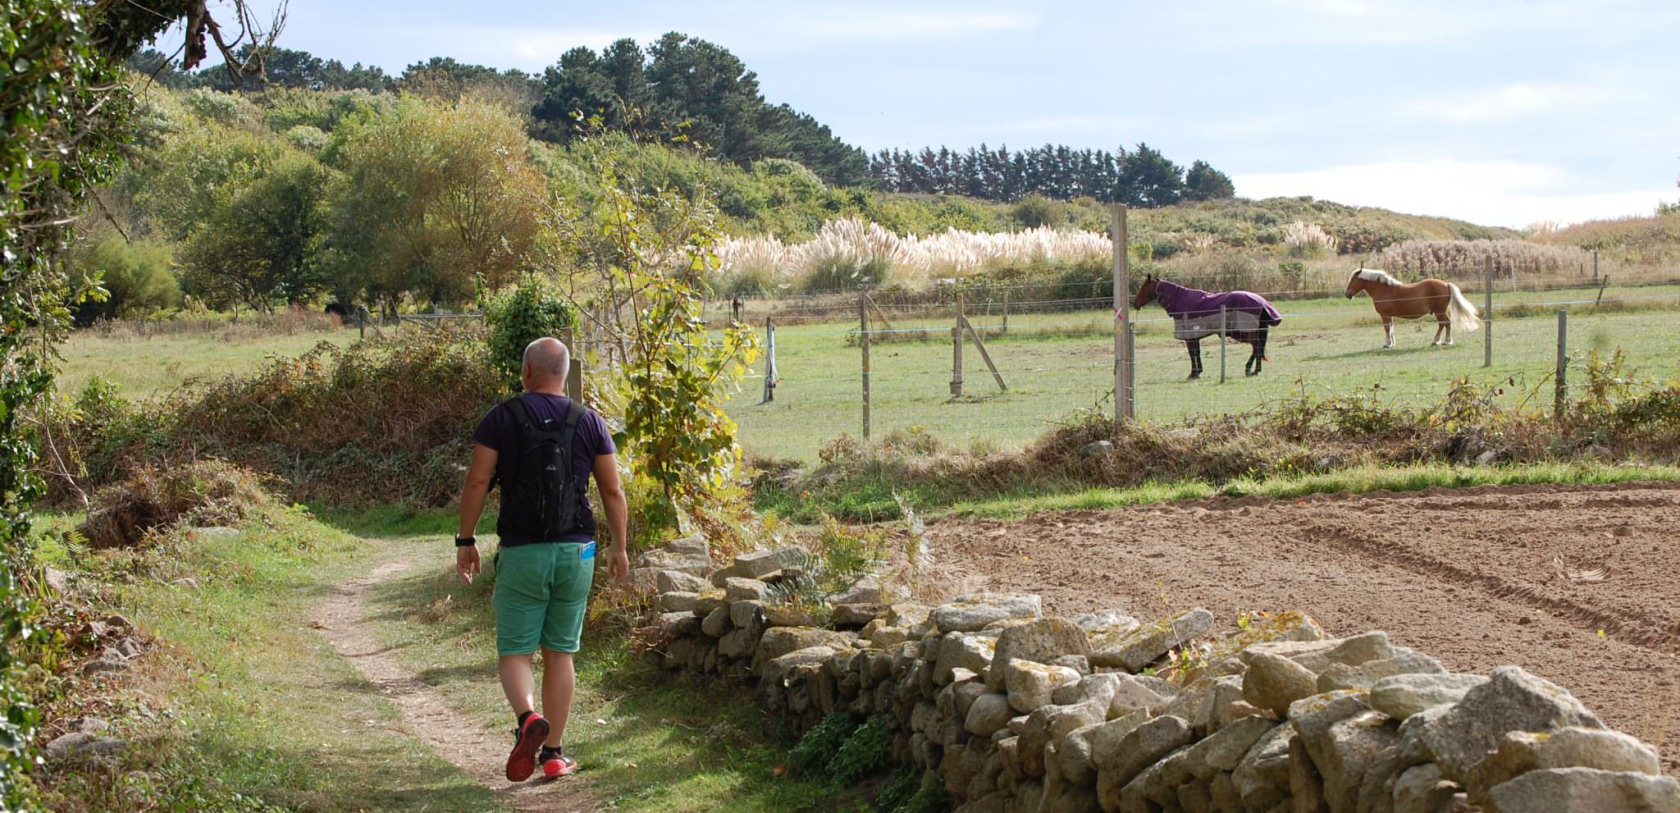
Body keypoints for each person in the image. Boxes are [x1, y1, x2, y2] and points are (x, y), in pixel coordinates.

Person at [456, 337, 630, 782]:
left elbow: (477, 481)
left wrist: (466, 539)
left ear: (526, 372)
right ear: (566, 374)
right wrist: (619, 547)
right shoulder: (590, 420)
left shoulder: (502, 418)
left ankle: (528, 719)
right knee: (561, 652)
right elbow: (612, 490)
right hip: (578, 551)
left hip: (522, 550)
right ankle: (553, 753)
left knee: (515, 652)